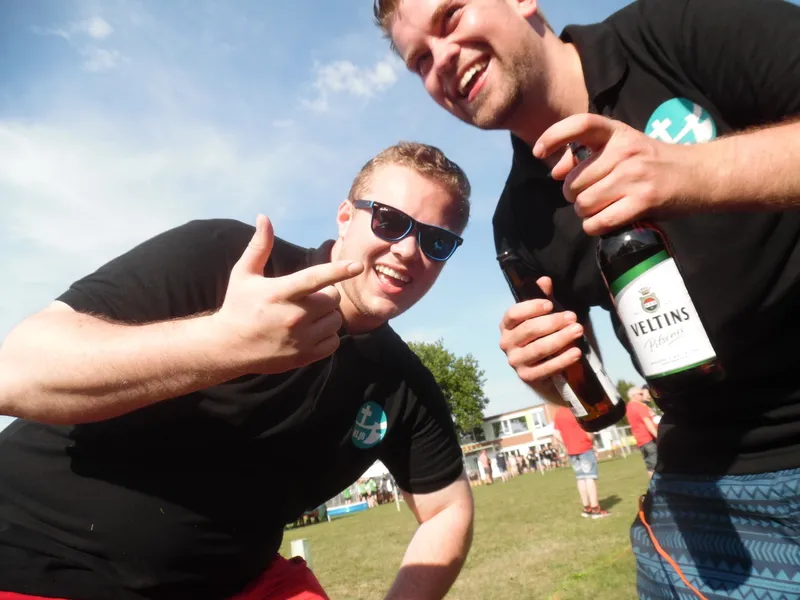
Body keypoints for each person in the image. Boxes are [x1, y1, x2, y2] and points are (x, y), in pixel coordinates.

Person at [379, 0, 800, 596]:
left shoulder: (681, 28)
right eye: (420, 59)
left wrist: (692, 172)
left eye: (451, 17)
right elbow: (593, 395)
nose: (442, 59)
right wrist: (545, 374)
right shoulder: (519, 223)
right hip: (707, 489)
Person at [0, 142, 475, 600]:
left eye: (436, 241)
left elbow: (448, 509)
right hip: (35, 554)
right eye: (390, 221)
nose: (408, 250)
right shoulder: (225, 258)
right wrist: (223, 343)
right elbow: (15, 373)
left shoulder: (401, 384)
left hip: (232, 582)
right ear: (346, 217)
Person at [552, 406, 609, 519]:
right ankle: (595, 509)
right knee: (590, 477)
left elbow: (556, 433)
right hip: (584, 447)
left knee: (580, 478)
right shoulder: (579, 408)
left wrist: (566, 444)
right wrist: (592, 443)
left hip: (571, 450)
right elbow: (589, 430)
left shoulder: (559, 412)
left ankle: (587, 508)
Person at [626, 387, 658, 480]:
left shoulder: (628, 407)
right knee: (656, 465)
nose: (643, 395)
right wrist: (658, 436)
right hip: (649, 439)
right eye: (640, 394)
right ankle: (657, 485)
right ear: (633, 395)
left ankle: (653, 486)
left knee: (650, 466)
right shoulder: (639, 406)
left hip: (640, 441)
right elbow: (648, 423)